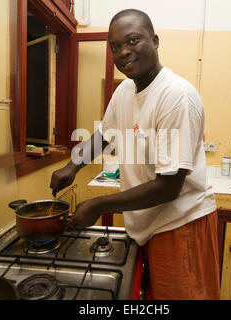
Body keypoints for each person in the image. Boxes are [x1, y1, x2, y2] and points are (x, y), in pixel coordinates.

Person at [50, 9, 220, 300]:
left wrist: (98, 205)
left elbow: (170, 186)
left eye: (132, 40)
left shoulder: (176, 96)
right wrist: (72, 167)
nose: (123, 52)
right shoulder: (126, 91)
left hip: (180, 224)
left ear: (154, 41)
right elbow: (106, 134)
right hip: (146, 225)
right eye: (115, 47)